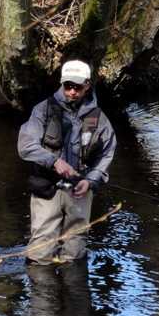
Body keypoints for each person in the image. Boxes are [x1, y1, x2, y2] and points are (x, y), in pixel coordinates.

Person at [17, 60, 117, 264]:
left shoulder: (98, 118)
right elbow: (25, 146)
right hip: (47, 187)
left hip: (79, 189)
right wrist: (54, 162)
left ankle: (74, 290)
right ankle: (42, 290)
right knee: (40, 252)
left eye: (77, 87)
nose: (71, 91)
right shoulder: (42, 110)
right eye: (68, 86)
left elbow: (107, 153)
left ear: (87, 85)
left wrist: (90, 181)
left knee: (75, 250)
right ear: (62, 84)